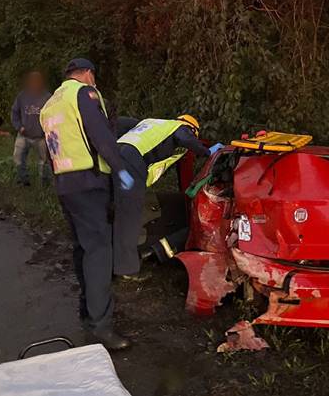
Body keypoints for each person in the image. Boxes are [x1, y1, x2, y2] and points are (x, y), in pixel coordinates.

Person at [39, 58, 135, 350]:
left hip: (66, 185)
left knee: (83, 249)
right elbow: (100, 135)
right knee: (99, 252)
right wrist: (121, 170)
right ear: (88, 74)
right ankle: (101, 327)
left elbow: (53, 146)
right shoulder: (84, 93)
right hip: (90, 183)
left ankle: (87, 313)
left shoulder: (51, 104)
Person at [114, 115, 219, 278]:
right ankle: (126, 270)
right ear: (192, 129)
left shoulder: (152, 124)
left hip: (116, 160)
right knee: (130, 218)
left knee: (121, 211)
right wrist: (206, 152)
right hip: (132, 163)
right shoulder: (178, 127)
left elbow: (117, 123)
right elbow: (183, 136)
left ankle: (110, 260)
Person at [11, 70, 51, 186]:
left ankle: (45, 185)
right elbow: (14, 112)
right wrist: (19, 126)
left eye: (37, 80)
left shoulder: (48, 97)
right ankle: (23, 181)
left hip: (41, 136)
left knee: (44, 162)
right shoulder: (22, 96)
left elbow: (54, 115)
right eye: (33, 80)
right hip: (24, 135)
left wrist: (48, 130)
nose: (35, 83)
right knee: (18, 158)